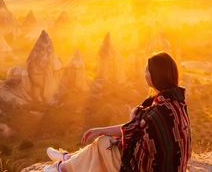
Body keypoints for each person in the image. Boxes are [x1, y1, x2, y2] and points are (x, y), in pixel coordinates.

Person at [44, 52, 191, 172]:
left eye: (147, 70)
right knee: (104, 142)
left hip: (147, 168)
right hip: (174, 166)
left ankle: (62, 167)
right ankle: (68, 159)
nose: (144, 73)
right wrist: (100, 130)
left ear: (156, 76)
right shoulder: (176, 102)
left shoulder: (155, 113)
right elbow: (136, 129)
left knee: (103, 143)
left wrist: (131, 118)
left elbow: (130, 134)